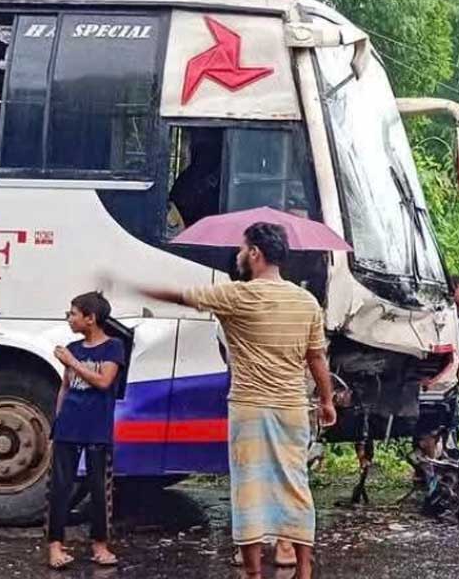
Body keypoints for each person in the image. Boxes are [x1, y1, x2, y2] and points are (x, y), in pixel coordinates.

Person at [123, 222, 336, 579]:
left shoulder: (237, 296)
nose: (239, 254)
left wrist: (136, 287)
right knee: (295, 484)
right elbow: (317, 358)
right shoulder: (306, 302)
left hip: (249, 407)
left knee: (248, 489)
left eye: (241, 248)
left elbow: (181, 296)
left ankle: (252, 573)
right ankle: (303, 569)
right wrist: (327, 400)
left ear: (255, 253)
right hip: (292, 408)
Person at [47, 291, 125, 570]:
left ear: (90, 318)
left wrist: (72, 362)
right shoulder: (73, 347)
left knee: (98, 487)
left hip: (97, 428)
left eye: (73, 314)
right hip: (68, 426)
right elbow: (65, 388)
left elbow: (104, 382)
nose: (69, 319)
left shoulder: (113, 347)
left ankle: (100, 544)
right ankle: (55, 545)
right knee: (60, 487)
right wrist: (57, 422)